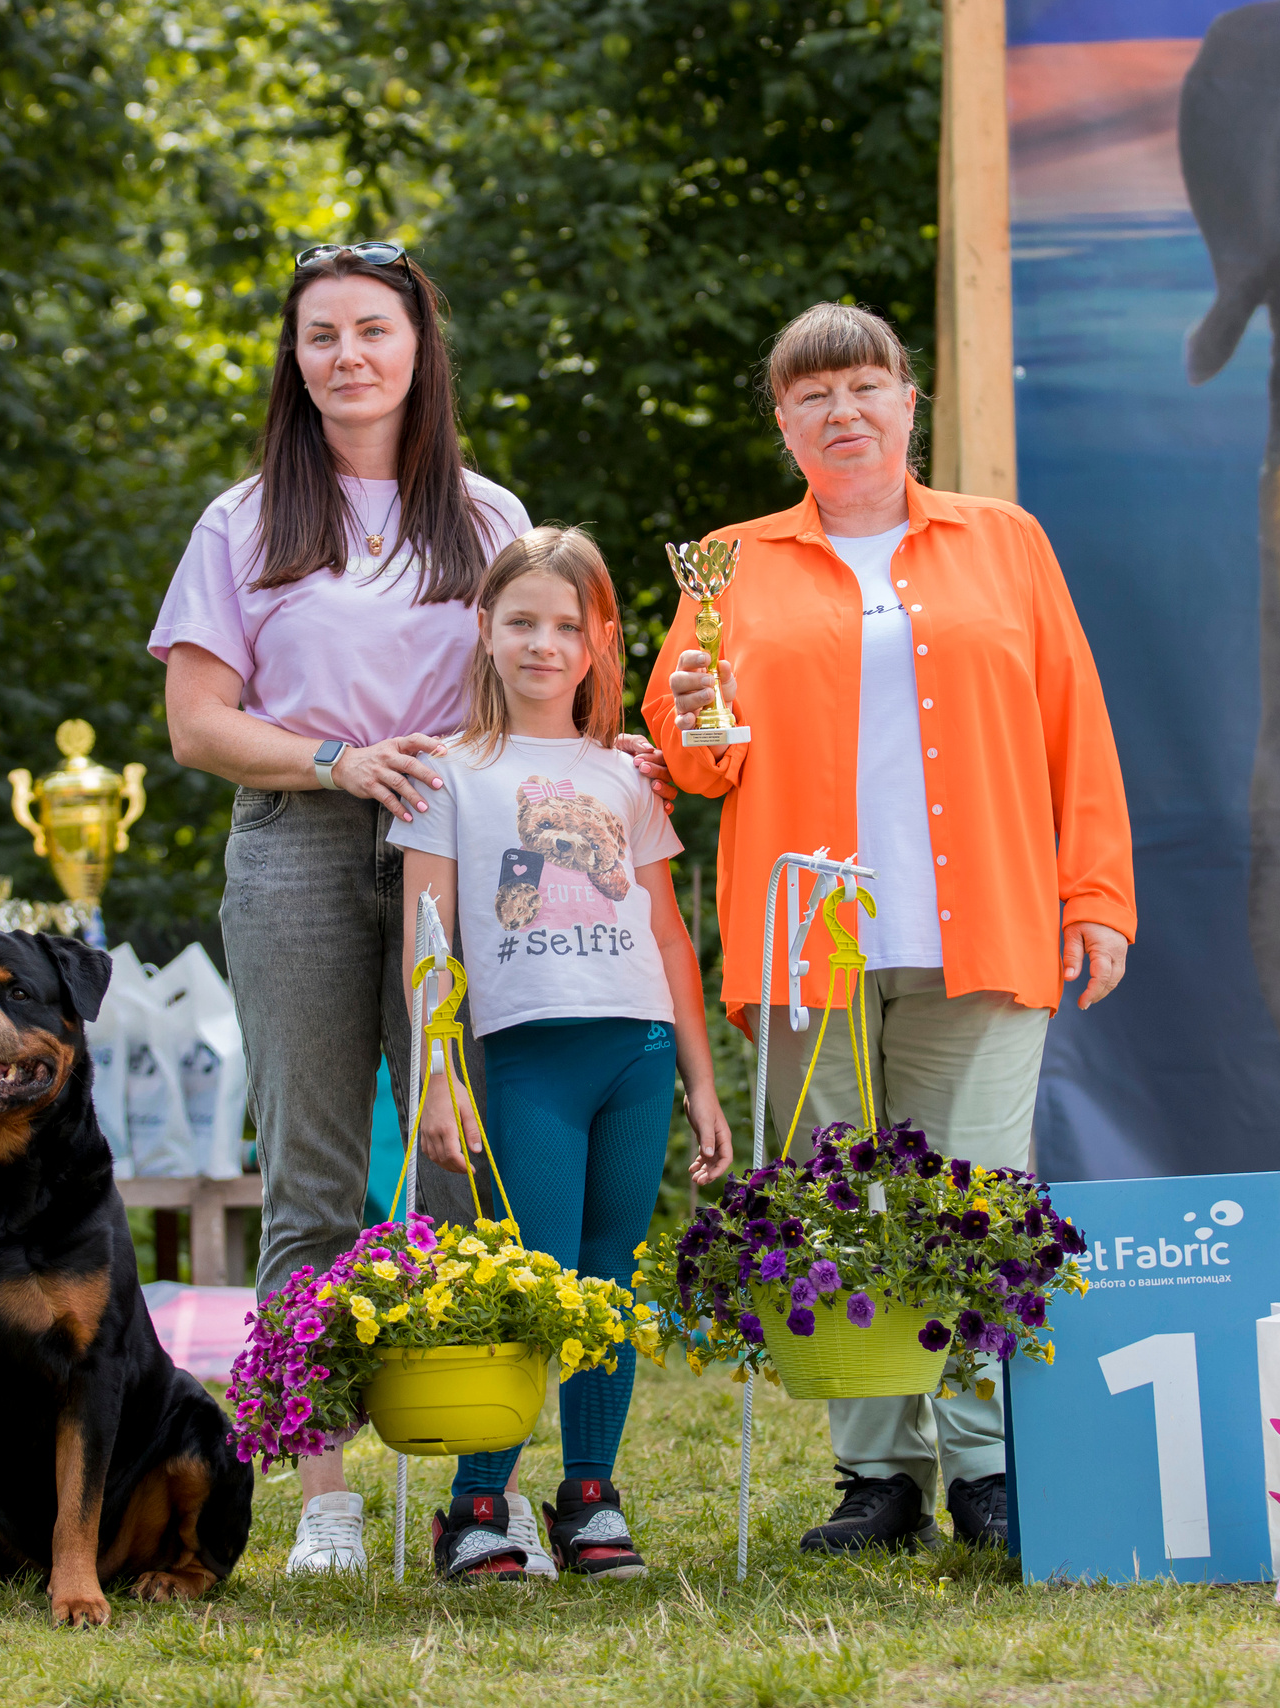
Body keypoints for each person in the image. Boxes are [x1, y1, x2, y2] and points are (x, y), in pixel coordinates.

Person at [646, 302, 1135, 1555]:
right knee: (834, 1203)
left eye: (864, 386)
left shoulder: (1004, 541)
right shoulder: (727, 564)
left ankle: (984, 1466)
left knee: (973, 1195)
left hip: (986, 923)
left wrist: (1096, 895)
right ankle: (878, 1476)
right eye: (813, 396)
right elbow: (687, 765)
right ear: (783, 424)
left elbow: (1074, 721)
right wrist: (695, 717)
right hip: (807, 941)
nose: (842, 411)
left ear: (909, 403)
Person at [151, 241, 559, 1576]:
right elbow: (197, 723)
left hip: (456, 858)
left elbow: (541, 684)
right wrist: (333, 759)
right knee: (313, 1183)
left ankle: (475, 1506)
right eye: (320, 336)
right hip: (299, 848)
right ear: (296, 360)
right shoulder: (246, 520)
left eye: (372, 330)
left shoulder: (490, 519)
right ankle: (324, 1499)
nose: (347, 356)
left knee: (460, 1168)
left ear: (417, 349)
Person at [388, 526, 735, 1583]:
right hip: (526, 1059)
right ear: (484, 631)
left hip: (632, 1052)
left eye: (564, 626)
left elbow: (668, 934)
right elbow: (428, 935)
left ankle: (589, 1495)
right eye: (521, 621)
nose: (543, 644)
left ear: (597, 642)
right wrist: (437, 1076)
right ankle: (475, 1504)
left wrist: (700, 1074)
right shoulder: (448, 770)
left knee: (609, 1281)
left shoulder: (628, 771)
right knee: (532, 1280)